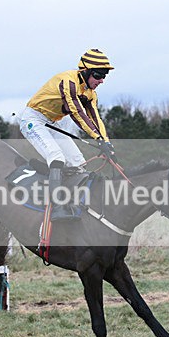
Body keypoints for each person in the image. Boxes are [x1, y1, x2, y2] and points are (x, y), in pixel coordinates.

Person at [19, 48, 116, 221]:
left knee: (78, 163)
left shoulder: (90, 94)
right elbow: (77, 112)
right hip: (34, 119)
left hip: (54, 123)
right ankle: (57, 206)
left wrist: (106, 142)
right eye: (98, 75)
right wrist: (97, 139)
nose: (101, 80)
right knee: (57, 158)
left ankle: (73, 200)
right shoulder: (68, 81)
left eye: (104, 76)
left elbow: (95, 118)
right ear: (84, 71)